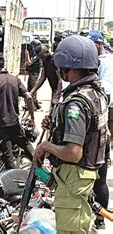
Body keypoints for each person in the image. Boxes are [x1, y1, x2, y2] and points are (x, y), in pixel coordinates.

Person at [34, 35, 109, 233]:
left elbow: (73, 152)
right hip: (86, 174)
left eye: (62, 66)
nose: (60, 71)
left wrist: (45, 146)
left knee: (70, 229)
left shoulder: (76, 103)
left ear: (72, 67)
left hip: (74, 176)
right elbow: (90, 130)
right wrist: (58, 125)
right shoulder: (96, 93)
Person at [88, 29, 112, 230]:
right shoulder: (106, 85)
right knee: (101, 181)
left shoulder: (81, 88)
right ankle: (100, 220)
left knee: (91, 181)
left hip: (88, 140)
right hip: (103, 135)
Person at [25, 39, 42, 110]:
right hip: (32, 73)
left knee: (33, 89)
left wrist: (27, 55)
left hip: (34, 74)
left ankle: (33, 106)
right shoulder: (34, 54)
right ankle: (32, 104)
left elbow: (30, 63)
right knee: (29, 88)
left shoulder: (37, 55)